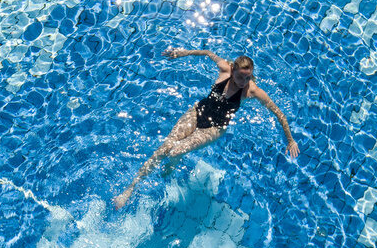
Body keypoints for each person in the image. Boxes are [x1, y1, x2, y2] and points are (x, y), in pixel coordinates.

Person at [113, 48, 299, 209]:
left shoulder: (252, 91)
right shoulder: (225, 70)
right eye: (240, 77)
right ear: (232, 69)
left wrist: (290, 140)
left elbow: (278, 113)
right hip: (197, 112)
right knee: (163, 148)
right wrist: (183, 53)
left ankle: (168, 173)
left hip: (215, 127)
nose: (243, 82)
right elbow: (208, 53)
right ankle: (129, 190)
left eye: (248, 77)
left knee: (177, 150)